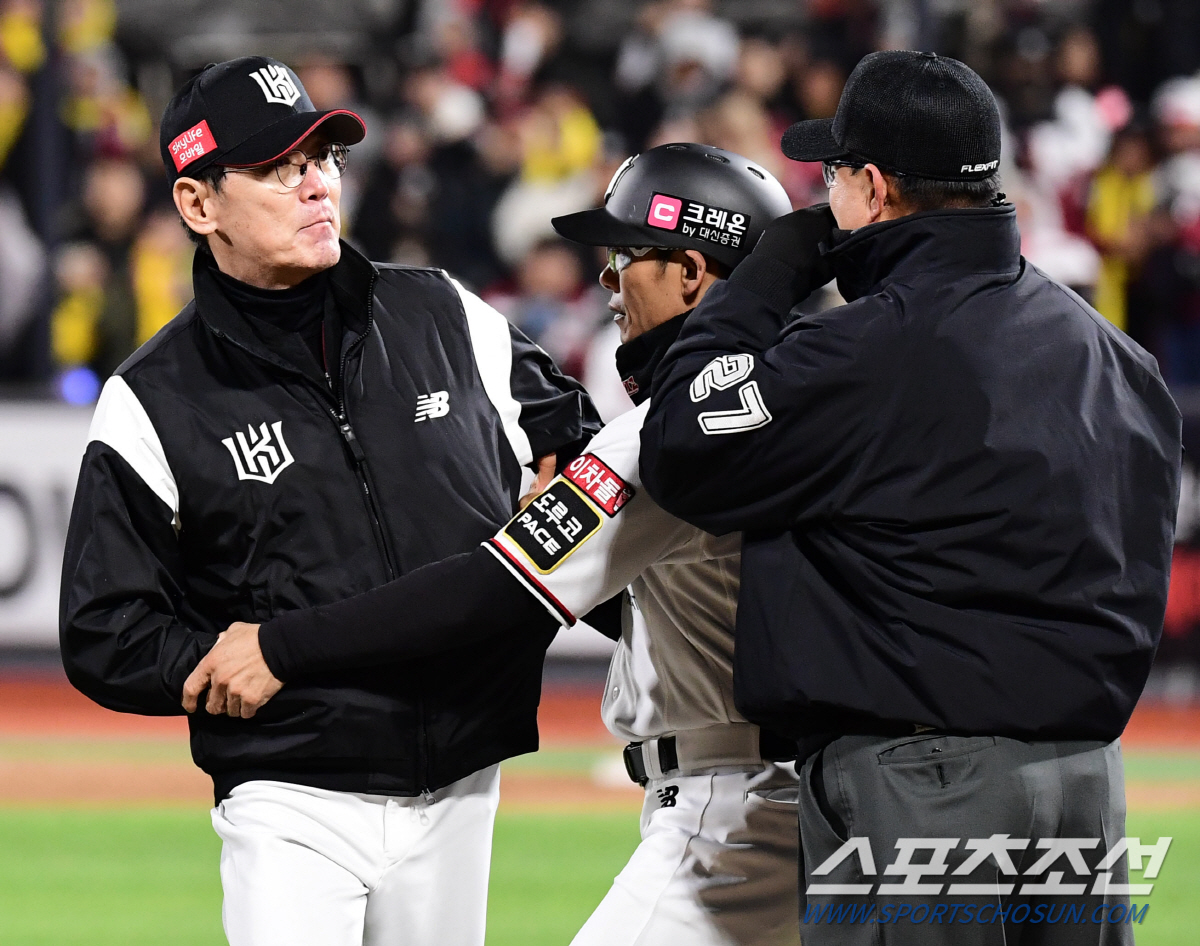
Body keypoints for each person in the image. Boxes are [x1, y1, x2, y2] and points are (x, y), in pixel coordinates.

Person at [183, 142, 803, 946]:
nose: (607, 281)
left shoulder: (664, 437)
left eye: (624, 255)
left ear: (690, 271)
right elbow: (695, 598)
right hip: (818, 792)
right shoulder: (817, 389)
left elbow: (492, 592)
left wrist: (281, 646)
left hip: (735, 811)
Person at [638, 51, 1182, 945]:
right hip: (1086, 782)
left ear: (874, 187)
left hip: (926, 781)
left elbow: (684, 449)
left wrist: (768, 282)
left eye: (834, 177)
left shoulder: (867, 352)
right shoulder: (1112, 356)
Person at [59, 57, 599, 946]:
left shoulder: (442, 315)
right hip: (292, 793)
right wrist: (227, 669)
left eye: (325, 158)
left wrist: (558, 499)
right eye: (278, 169)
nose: (316, 185)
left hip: (463, 777)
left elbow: (579, 451)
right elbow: (103, 627)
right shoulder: (154, 395)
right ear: (200, 206)